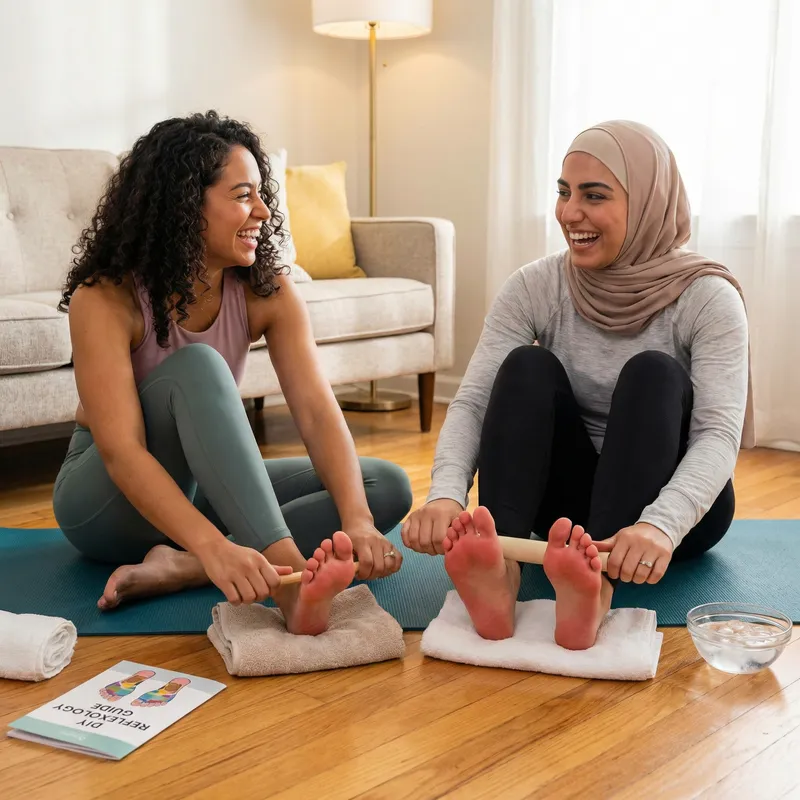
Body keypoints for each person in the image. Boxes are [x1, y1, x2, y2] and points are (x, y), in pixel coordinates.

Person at [54, 111, 412, 635]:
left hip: (198, 492)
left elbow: (316, 413)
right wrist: (215, 543)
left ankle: (187, 568)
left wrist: (357, 520)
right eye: (244, 195)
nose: (263, 211)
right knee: (198, 365)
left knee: (382, 486)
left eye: (261, 195)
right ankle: (287, 583)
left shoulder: (268, 291)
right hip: (107, 503)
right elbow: (122, 453)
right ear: (183, 205)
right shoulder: (105, 298)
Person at [402, 120, 751, 650]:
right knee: (525, 366)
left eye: (594, 195)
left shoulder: (706, 296)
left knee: (654, 372)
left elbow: (718, 434)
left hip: (669, 516)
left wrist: (660, 525)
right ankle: (502, 565)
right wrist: (447, 496)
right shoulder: (535, 285)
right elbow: (473, 401)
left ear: (648, 203)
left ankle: (596, 585)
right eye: (564, 192)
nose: (569, 213)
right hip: (565, 507)